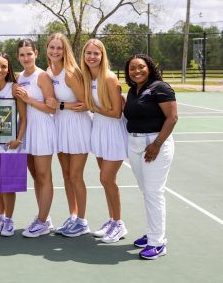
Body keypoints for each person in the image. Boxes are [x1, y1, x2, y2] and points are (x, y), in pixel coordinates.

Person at [124, 54, 178, 260]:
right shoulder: (133, 90)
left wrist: (156, 144)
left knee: (154, 192)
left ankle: (158, 243)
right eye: (132, 68)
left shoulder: (160, 87)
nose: (136, 71)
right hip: (135, 144)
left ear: (150, 68)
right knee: (146, 191)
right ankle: (153, 233)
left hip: (156, 144)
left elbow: (172, 117)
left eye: (141, 67)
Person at [80, 38, 128, 243]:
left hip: (113, 131)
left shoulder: (109, 78)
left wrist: (91, 106)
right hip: (98, 129)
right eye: (88, 53)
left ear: (102, 56)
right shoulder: (87, 77)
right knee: (105, 179)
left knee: (107, 179)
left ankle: (119, 224)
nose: (92, 57)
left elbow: (117, 112)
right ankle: (112, 220)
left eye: (95, 53)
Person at [45, 33, 92, 237]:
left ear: (65, 51)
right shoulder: (49, 71)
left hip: (77, 125)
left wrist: (61, 105)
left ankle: (82, 221)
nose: (55, 51)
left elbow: (86, 103)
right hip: (60, 125)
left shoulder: (71, 73)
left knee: (75, 175)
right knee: (65, 174)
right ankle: (73, 216)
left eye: (59, 48)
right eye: (52, 47)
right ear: (46, 49)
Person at [14, 38, 57, 238]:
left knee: (43, 176)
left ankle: (41, 221)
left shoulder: (42, 77)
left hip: (42, 127)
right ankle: (44, 217)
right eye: (22, 54)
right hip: (26, 128)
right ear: (18, 57)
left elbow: (52, 107)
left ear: (36, 54)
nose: (26, 58)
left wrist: (28, 99)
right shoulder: (19, 77)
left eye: (29, 54)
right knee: (35, 177)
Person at [0, 52, 27, 237]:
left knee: (7, 183)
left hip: (9, 144)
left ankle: (9, 220)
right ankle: (0, 217)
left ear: (8, 69)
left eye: (3, 66)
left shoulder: (14, 88)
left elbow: (24, 118)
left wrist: (18, 139)